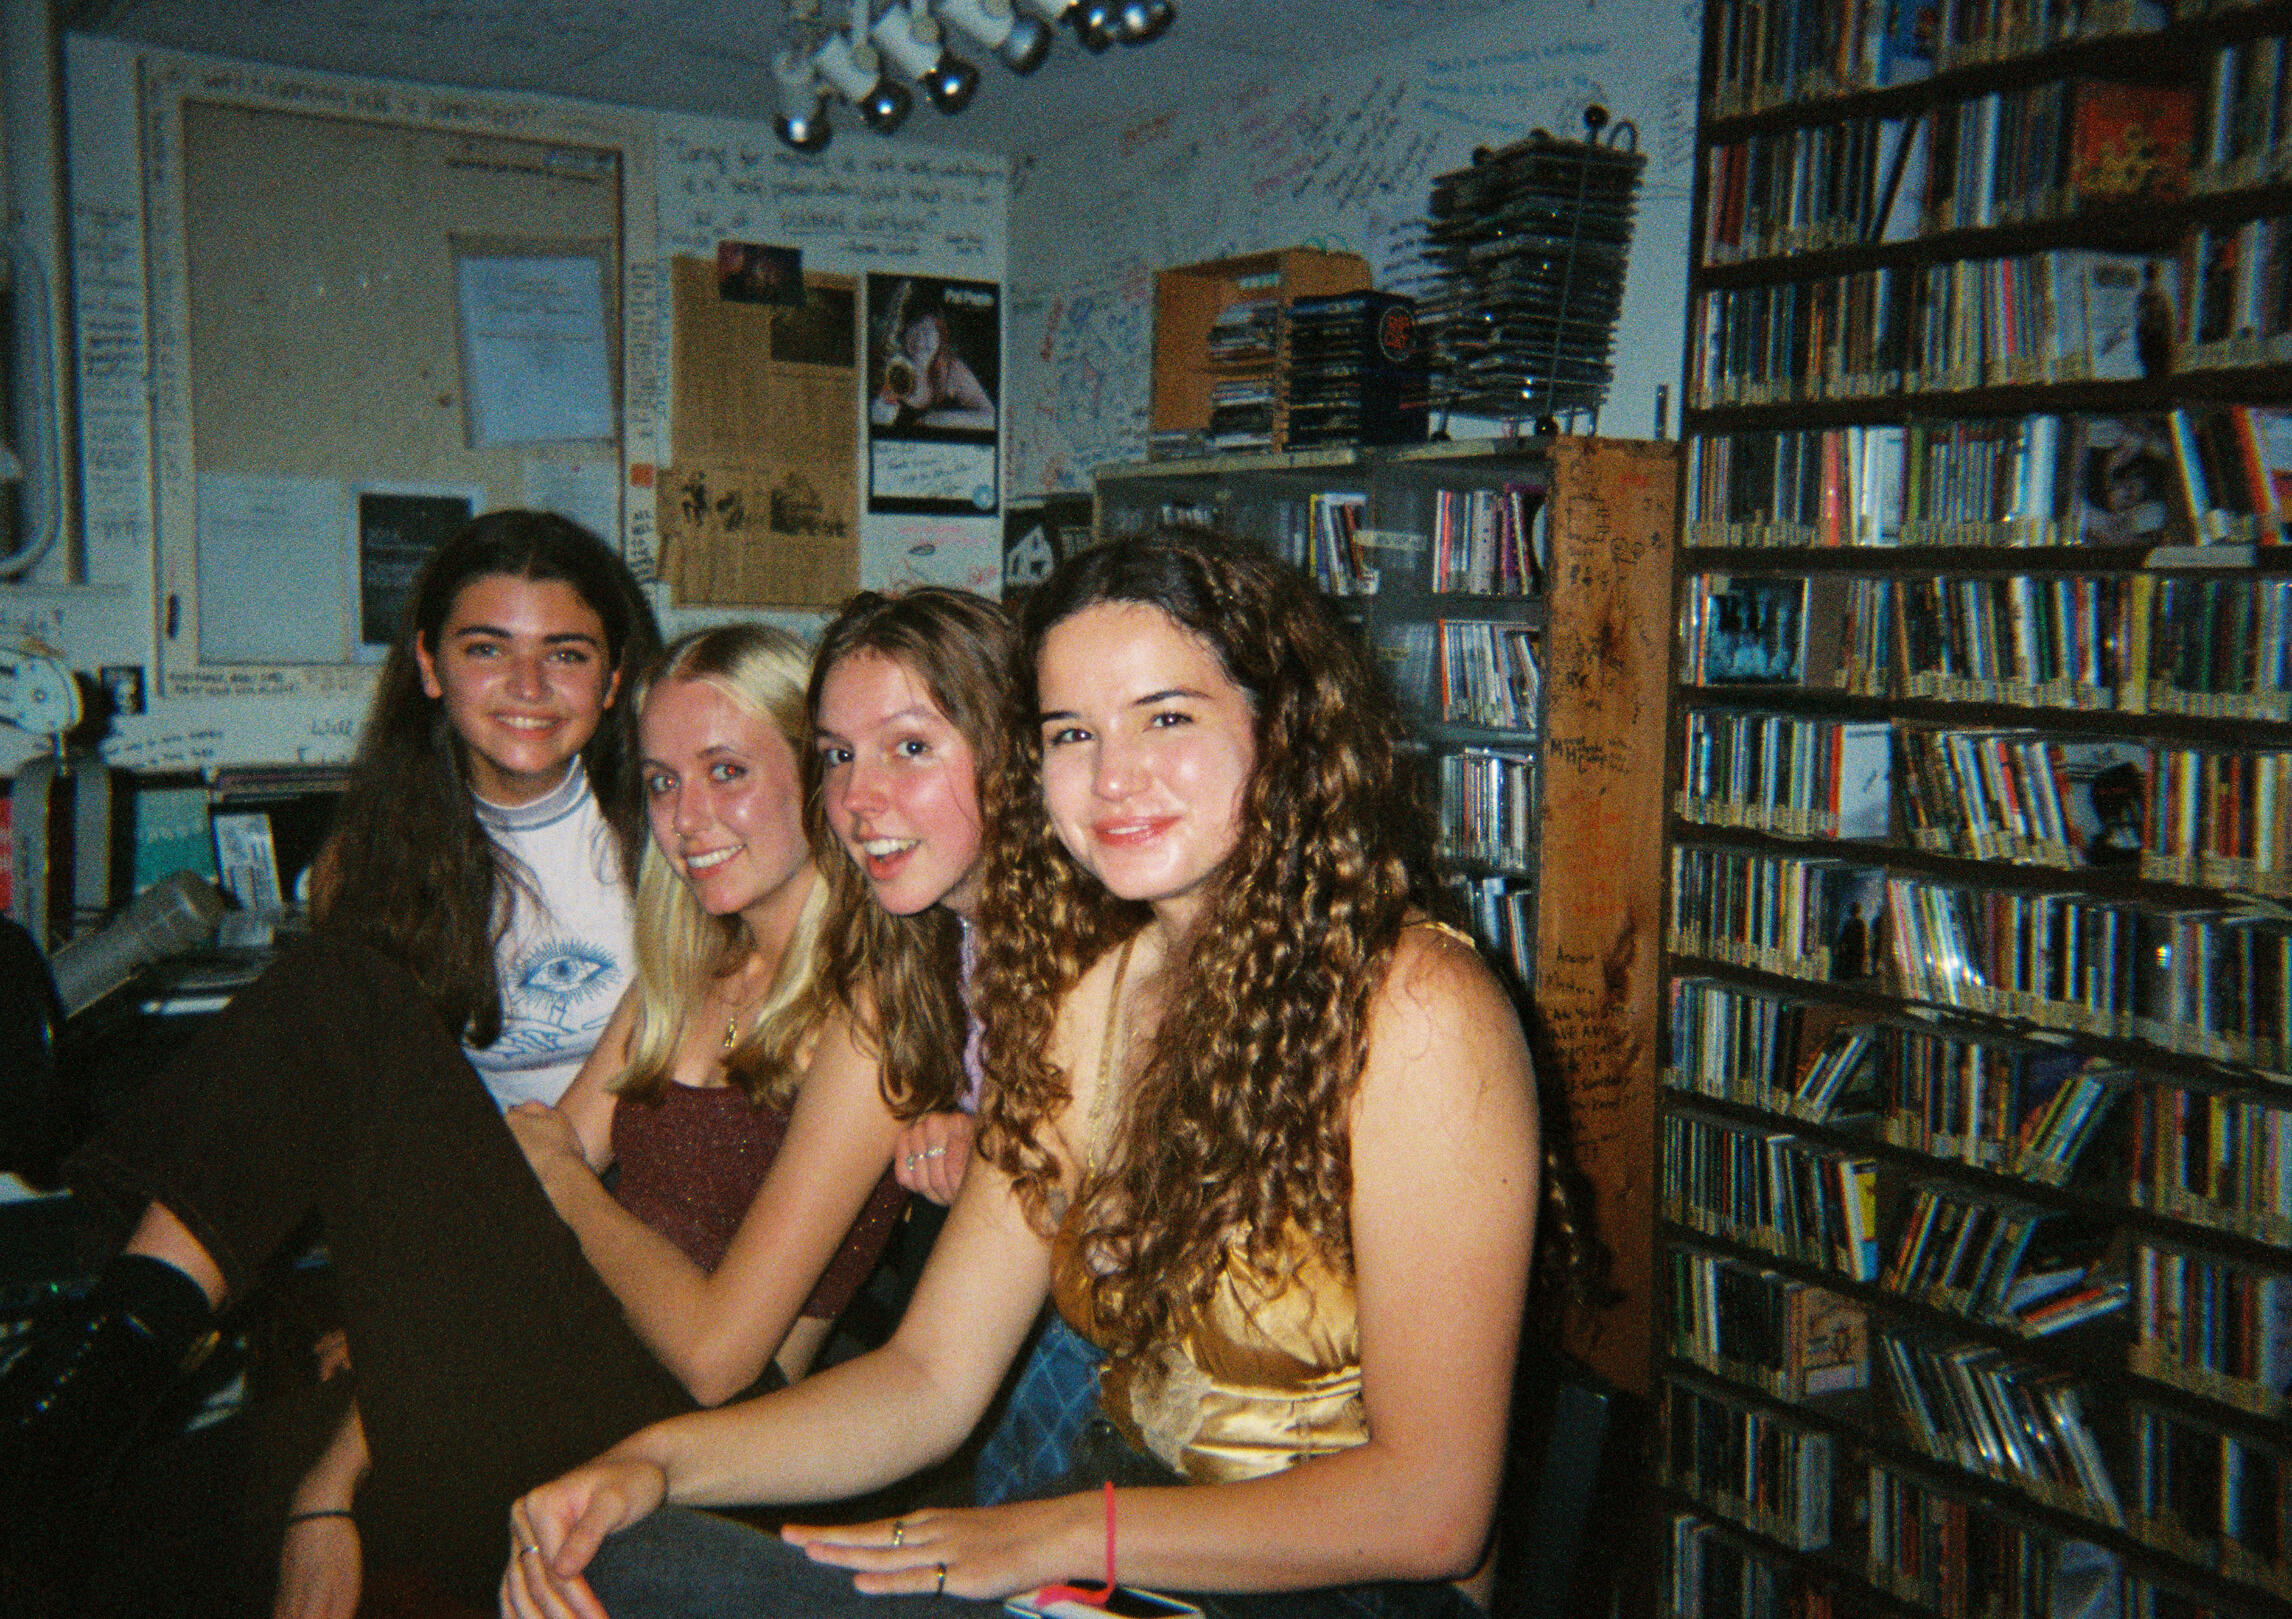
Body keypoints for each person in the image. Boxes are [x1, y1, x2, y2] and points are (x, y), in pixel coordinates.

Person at [502, 534, 1542, 1619]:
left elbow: (1434, 1505)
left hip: (1335, 1592)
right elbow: (929, 1376)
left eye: (1166, 718)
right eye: (1072, 733)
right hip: (1121, 1551)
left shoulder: (1417, 1007)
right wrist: (652, 1463)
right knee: (621, 1556)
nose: (1112, 776)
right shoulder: (1100, 997)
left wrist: (1053, 1534)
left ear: (1282, 729)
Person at [0, 510, 660, 1613]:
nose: (528, 686)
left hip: (597, 1263)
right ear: (429, 667)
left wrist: (340, 1462)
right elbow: (372, 1133)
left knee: (334, 992)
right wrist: (394, 1290)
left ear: (615, 677)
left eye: (566, 652)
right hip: (462, 1254)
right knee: (133, 1527)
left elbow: (569, 1171)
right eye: (487, 647)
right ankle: (83, 1396)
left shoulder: (672, 850)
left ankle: (87, 1373)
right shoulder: (371, 859)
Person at [869, 282, 996, 433]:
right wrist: (887, 400)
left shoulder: (951, 369)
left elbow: (990, 418)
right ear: (904, 331)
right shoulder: (892, 363)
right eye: (917, 329)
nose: (924, 341)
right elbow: (875, 424)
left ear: (941, 334)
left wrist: (933, 421)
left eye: (931, 330)